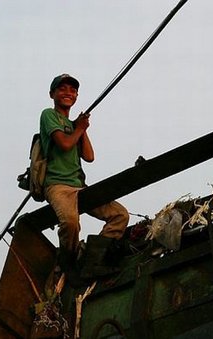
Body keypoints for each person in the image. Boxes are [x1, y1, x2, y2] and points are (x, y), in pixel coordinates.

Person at [40, 73, 129, 281]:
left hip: (79, 186)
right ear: (52, 94)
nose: (68, 93)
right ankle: (67, 263)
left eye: (72, 90)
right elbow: (64, 144)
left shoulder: (74, 126)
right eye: (62, 89)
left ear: (77, 96)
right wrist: (78, 128)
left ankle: (93, 258)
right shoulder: (48, 115)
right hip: (58, 186)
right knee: (71, 223)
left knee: (120, 215)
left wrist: (82, 128)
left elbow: (89, 157)